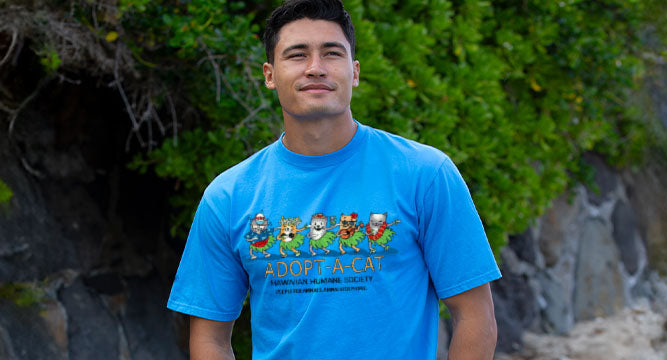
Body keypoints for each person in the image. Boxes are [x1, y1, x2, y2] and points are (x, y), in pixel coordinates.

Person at [165, 0, 500, 358]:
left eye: (331, 53)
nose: (315, 68)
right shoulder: (229, 197)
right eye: (297, 55)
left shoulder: (425, 175)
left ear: (354, 72)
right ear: (269, 75)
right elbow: (209, 338)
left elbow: (475, 316)